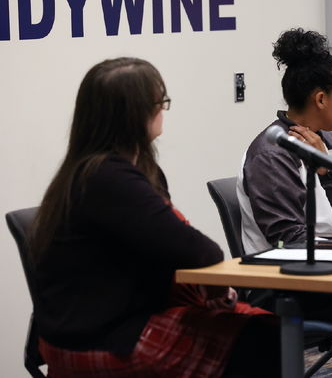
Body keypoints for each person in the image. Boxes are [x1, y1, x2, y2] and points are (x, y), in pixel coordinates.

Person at [30, 58, 279, 378]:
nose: (163, 109)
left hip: (110, 323)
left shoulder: (97, 171)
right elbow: (198, 251)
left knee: (262, 330)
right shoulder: (107, 178)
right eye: (160, 102)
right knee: (264, 338)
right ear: (134, 114)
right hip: (99, 338)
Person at [237, 28, 332, 335]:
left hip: (330, 274)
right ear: (321, 99)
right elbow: (290, 242)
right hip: (284, 287)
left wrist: (329, 171)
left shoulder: (328, 143)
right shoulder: (272, 154)